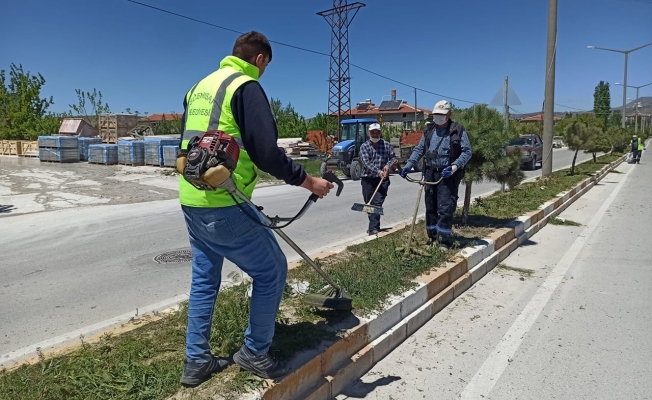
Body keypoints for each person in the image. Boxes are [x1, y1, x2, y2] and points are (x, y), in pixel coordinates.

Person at [177, 31, 334, 387]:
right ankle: (254, 352)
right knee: (272, 270)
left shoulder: (198, 87)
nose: (264, 73)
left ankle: (196, 360)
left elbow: (186, 145)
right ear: (260, 59)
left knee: (204, 278)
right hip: (225, 202)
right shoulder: (245, 86)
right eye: (266, 67)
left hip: (192, 199)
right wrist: (310, 182)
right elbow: (266, 152)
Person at [399, 100, 472, 249]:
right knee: (430, 207)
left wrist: (454, 167)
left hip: (447, 175)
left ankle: (443, 241)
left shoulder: (457, 130)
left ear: (449, 114)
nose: (438, 117)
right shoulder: (429, 130)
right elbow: (419, 149)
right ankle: (432, 238)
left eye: (441, 115)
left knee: (445, 208)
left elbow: (467, 152)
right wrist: (408, 165)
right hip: (430, 173)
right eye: (436, 115)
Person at [358, 123, 397, 235]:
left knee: (377, 203)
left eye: (377, 132)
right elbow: (366, 163)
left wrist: (388, 166)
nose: (375, 134)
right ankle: (374, 226)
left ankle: (373, 228)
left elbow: (393, 158)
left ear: (380, 132)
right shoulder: (364, 147)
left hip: (382, 180)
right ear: (369, 133)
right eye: (373, 132)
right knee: (369, 204)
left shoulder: (387, 145)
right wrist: (379, 171)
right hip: (368, 179)